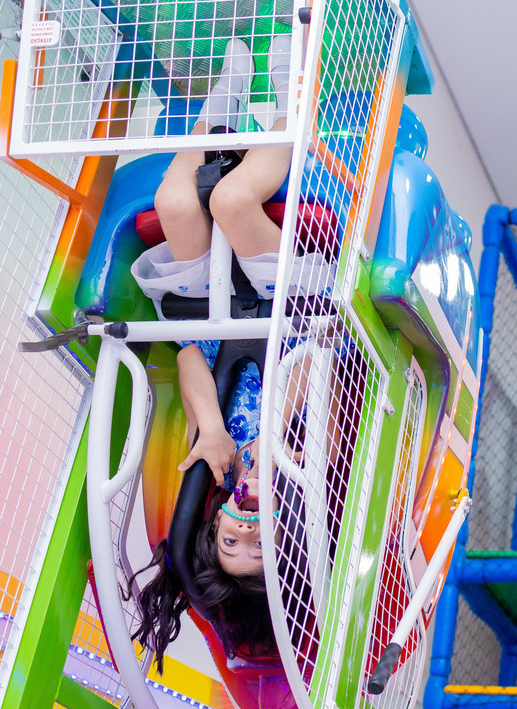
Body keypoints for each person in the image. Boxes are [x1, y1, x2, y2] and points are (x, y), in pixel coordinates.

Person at [126, 35, 334, 671]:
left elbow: (190, 357)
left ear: (214, 525)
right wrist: (271, 443)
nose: (241, 535)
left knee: (175, 204)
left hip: (214, 319)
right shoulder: (303, 466)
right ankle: (289, 105)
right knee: (232, 201)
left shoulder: (210, 465)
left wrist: (213, 431)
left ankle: (223, 101)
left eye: (228, 542)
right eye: (254, 545)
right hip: (292, 312)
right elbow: (312, 368)